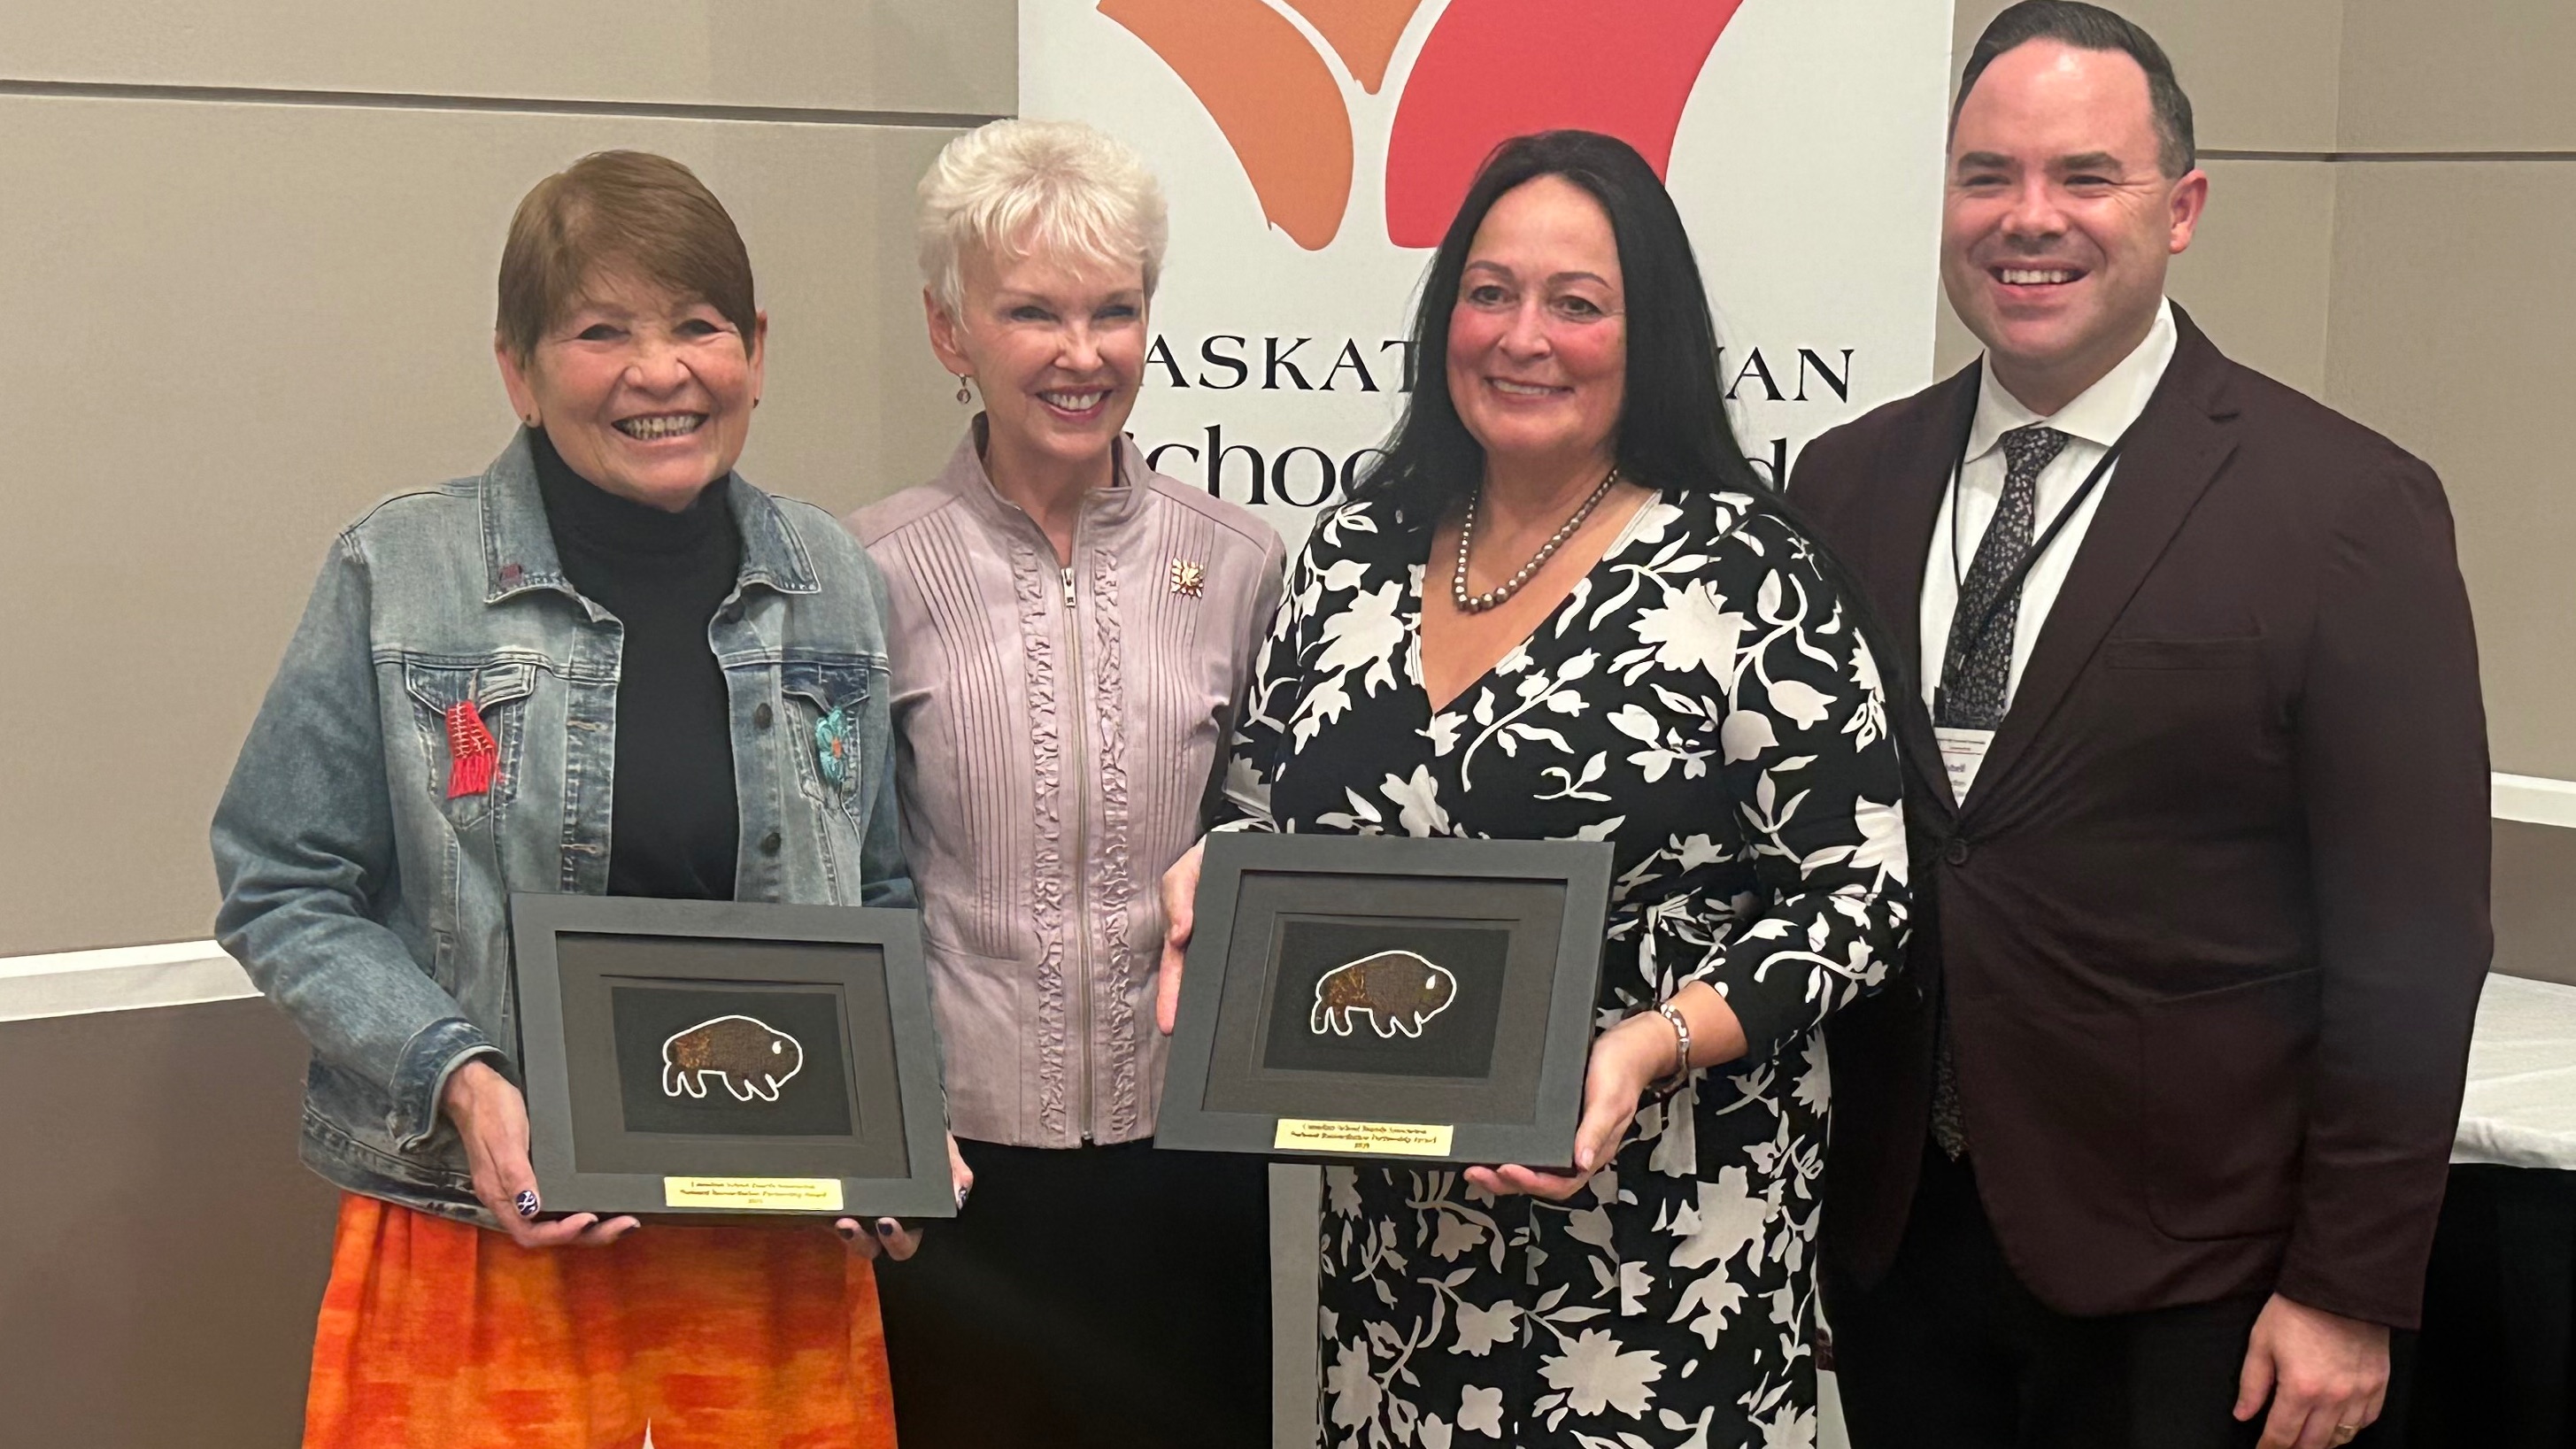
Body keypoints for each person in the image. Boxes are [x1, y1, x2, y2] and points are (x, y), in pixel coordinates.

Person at [1788, 7, 2492, 1448]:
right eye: (1985, 175)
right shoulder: (1846, 482)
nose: (2025, 219)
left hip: (2202, 1285)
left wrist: (2347, 1284)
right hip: (1896, 1239)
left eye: (2081, 177)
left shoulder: (2345, 509)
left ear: (2179, 208)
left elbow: (2412, 942)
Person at [1158, 129, 1911, 1449]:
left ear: (1649, 334)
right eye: (1490, 291)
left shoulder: (1747, 572)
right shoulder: (1357, 546)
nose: (1523, 336)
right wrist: (1211, 874)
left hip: (1664, 1237)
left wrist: (1643, 1044)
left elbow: (1858, 898)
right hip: (1399, 1249)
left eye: (1577, 302)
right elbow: (1266, 804)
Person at [211, 150, 946, 1449]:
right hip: (482, 1237)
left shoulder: (828, 573)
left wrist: (895, 1115)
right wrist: (463, 1079)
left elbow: (874, 894)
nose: (658, 371)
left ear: (754, 350)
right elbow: (281, 883)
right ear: (519, 366)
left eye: (697, 326)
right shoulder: (399, 569)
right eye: (600, 331)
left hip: (767, 1258)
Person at [846, 119, 1286, 1448]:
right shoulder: (864, 569)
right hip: (962, 1172)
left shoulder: (1244, 560)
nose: (1081, 353)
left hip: (1186, 1162)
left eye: (1115, 309)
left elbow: (1271, 825)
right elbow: (842, 867)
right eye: (1030, 310)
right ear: (950, 332)